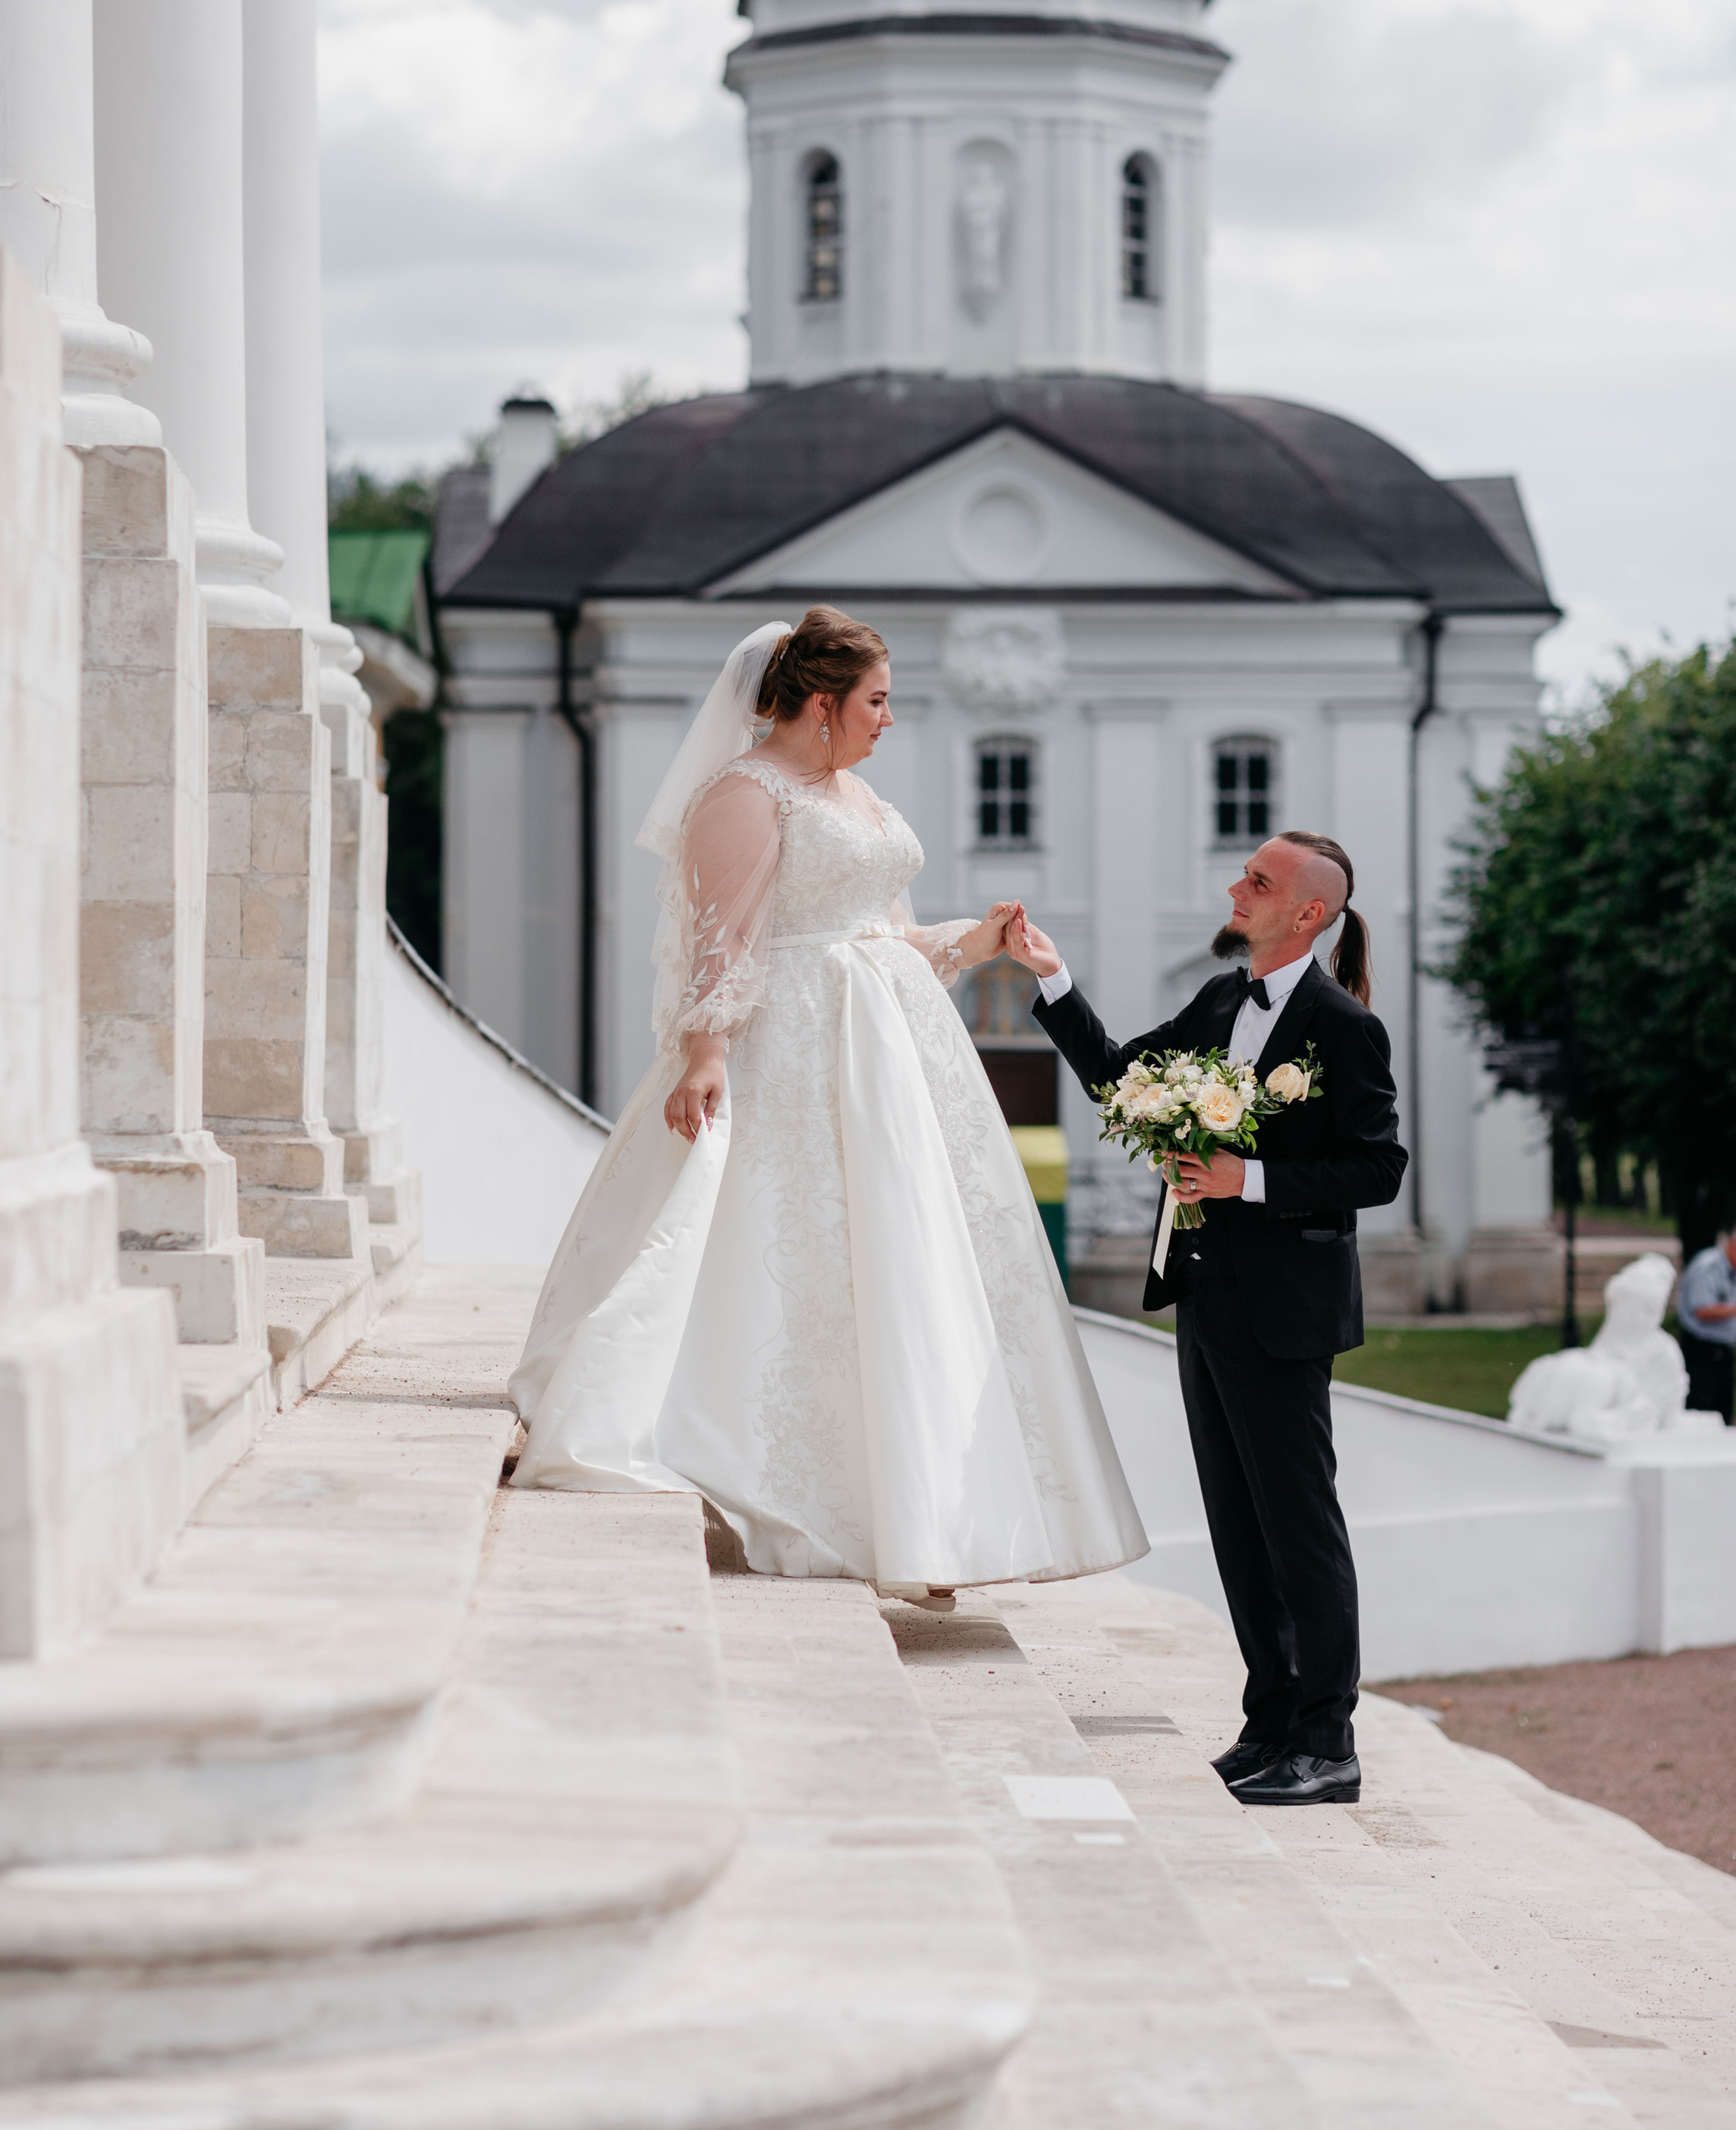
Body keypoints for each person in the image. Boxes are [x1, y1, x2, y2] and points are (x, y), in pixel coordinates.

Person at [508, 609, 1146, 1592]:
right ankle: (791, 1478)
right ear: (820, 704)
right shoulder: (745, 794)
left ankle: (924, 1511)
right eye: (876, 700)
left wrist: (978, 943)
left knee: (906, 1263)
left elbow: (880, 931)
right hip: (792, 1047)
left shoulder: (851, 792)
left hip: (889, 1047)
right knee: (792, 1250)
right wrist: (706, 1053)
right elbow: (728, 937)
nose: (888, 718)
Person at [1008, 836, 1406, 1807]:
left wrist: (1248, 1178)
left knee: (1300, 1529)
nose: (1237, 888)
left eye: (1258, 882)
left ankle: (1329, 1743)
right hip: (1202, 1293)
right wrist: (1053, 979)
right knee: (1237, 1526)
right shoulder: (1222, 1000)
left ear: (1308, 913)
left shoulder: (1341, 1027)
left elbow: (1377, 1168)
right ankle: (1269, 1722)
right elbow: (1118, 1078)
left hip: (1285, 1312)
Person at [1672, 1223, 1736, 1423]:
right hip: (1701, 1353)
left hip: (1723, 1354)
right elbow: (1701, 1310)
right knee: (1701, 1414)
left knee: (1723, 1414)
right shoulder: (1708, 1266)